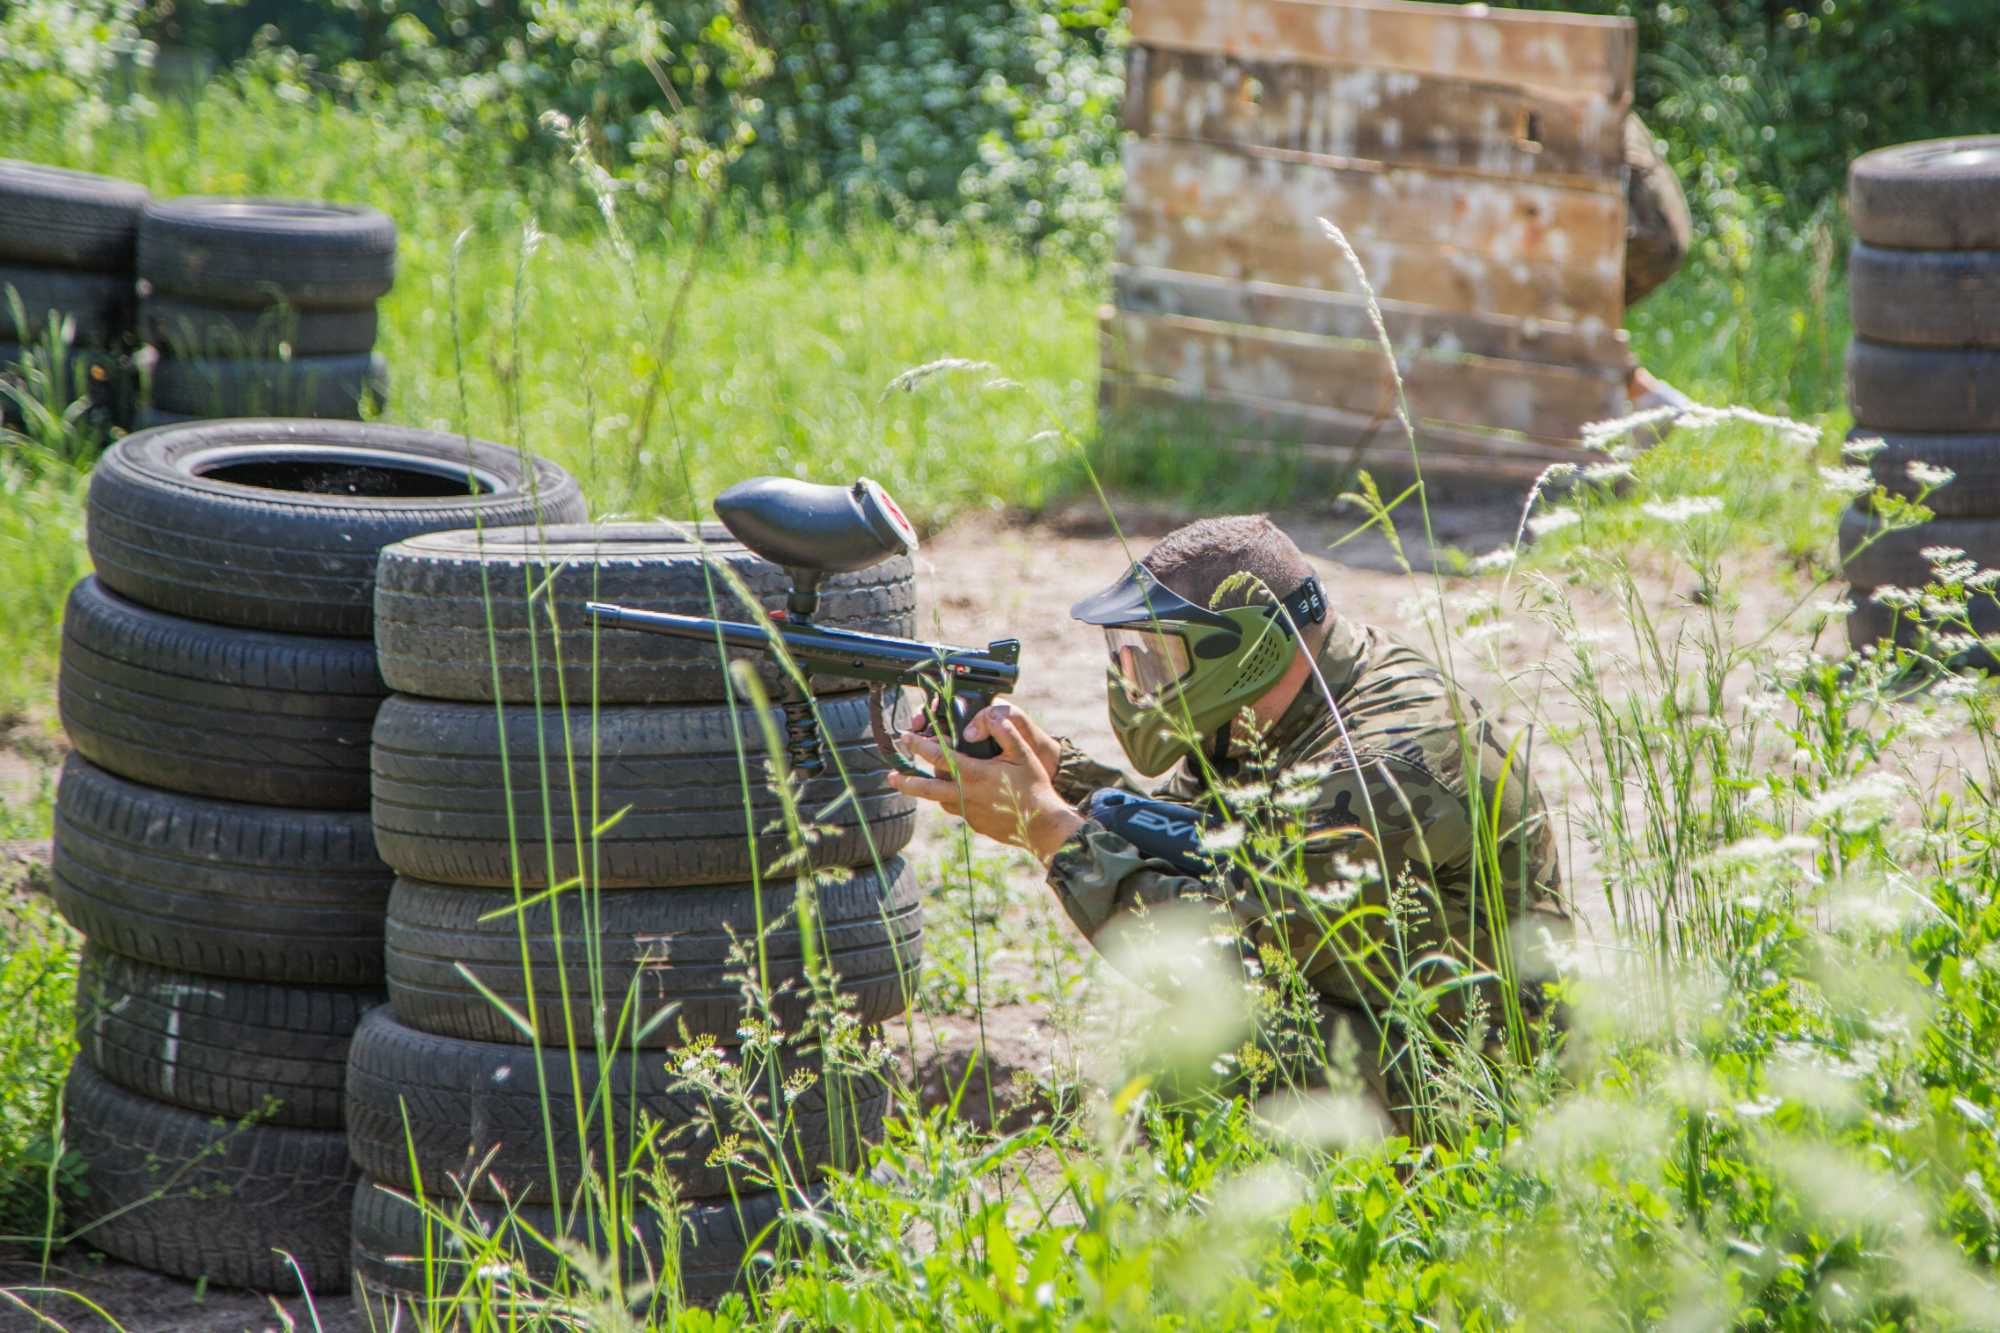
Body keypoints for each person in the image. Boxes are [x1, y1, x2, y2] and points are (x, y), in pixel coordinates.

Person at [888, 515, 1569, 1122]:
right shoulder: (1284, 706)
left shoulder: (1376, 772)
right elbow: (1210, 842)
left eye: (1158, 656)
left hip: (1492, 1079)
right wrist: (1063, 776)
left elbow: (1216, 954)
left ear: (1246, 647)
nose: (1137, 681)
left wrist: (1049, 830)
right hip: (1392, 1015)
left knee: (1224, 1056)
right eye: (1128, 656)